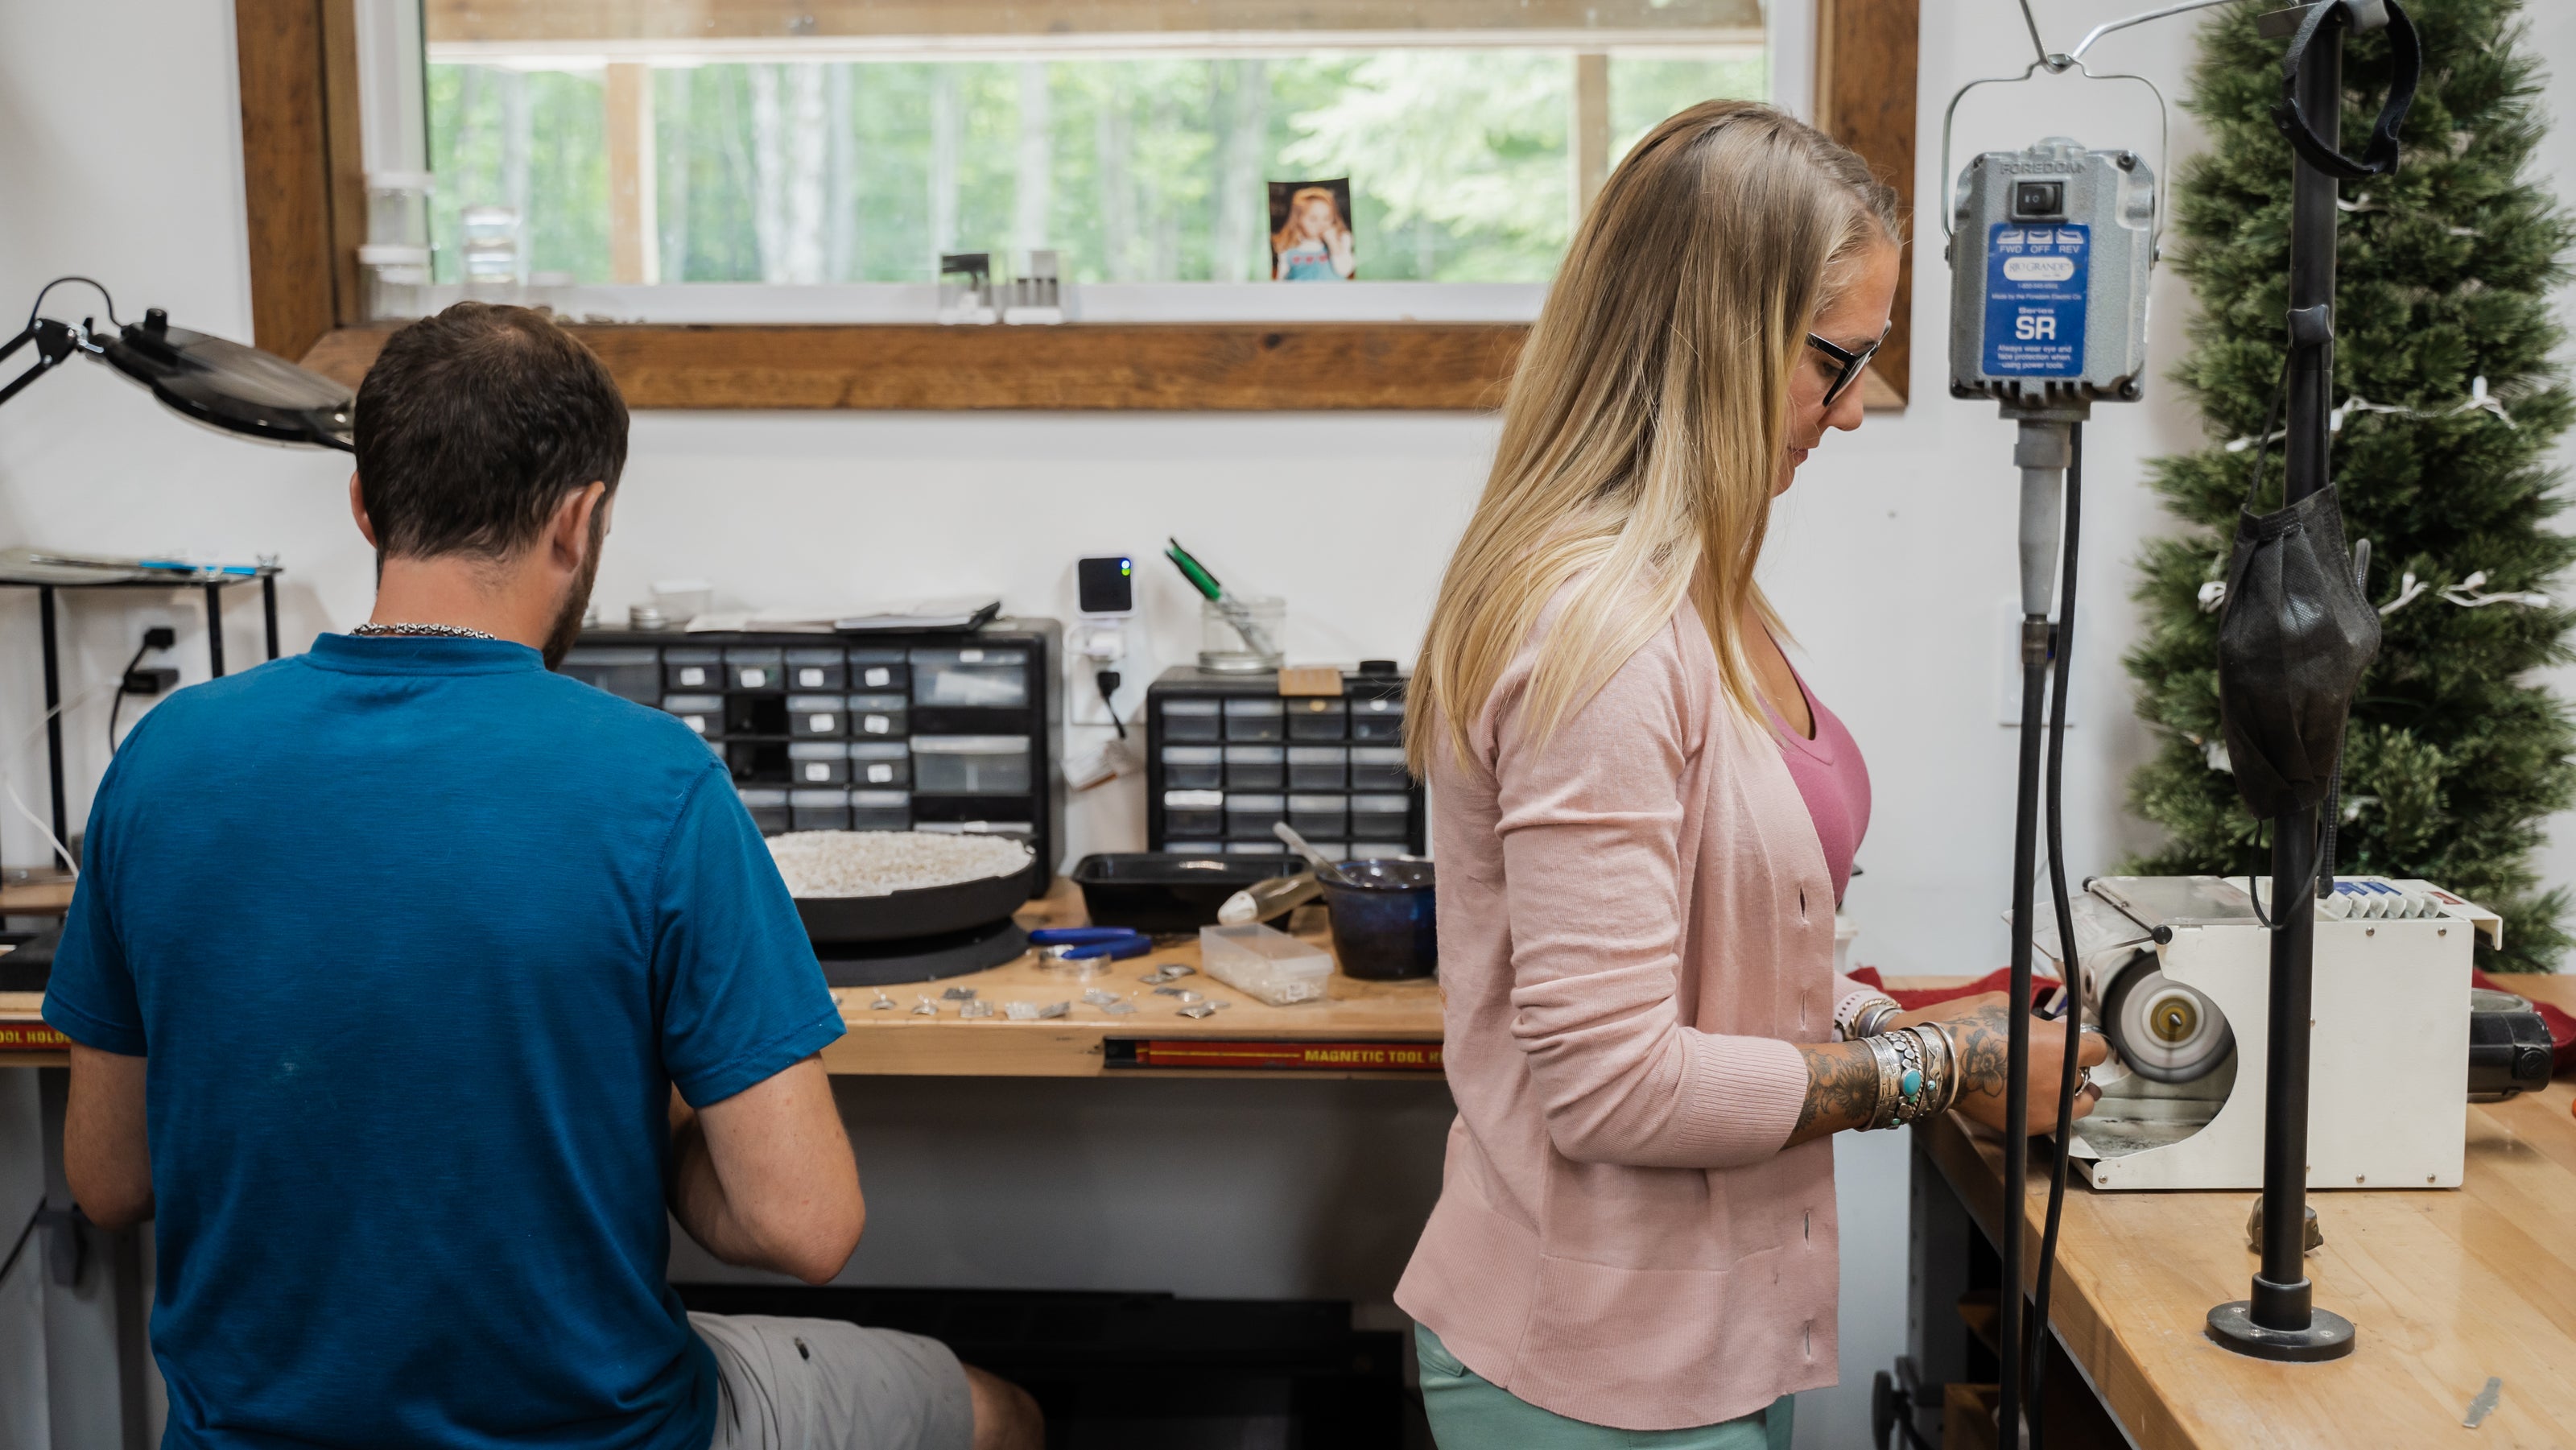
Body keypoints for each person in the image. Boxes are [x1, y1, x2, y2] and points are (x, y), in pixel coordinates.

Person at [44, 302, 1042, 1450]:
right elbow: (805, 1227)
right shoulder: (656, 782)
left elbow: (108, 1180)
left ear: (364, 505)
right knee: (995, 1412)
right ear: (578, 521)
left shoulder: (162, 763)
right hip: (601, 1433)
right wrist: (652, 1109)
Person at [1397, 101, 2107, 1447]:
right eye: (1834, 364)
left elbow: (1704, 959)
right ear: (1717, 339)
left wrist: (1878, 1012)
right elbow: (1609, 1084)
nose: (1847, 415)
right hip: (1594, 1369)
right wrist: (1937, 1066)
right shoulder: (1596, 638)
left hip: (1709, 1338)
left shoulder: (1700, 599)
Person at [1272, 185, 1356, 280]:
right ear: (1298, 220)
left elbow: (1345, 270)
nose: (1321, 224)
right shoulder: (1288, 248)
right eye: (1313, 219)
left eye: (1327, 218)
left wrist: (1334, 244)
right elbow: (1281, 280)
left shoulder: (1341, 239)